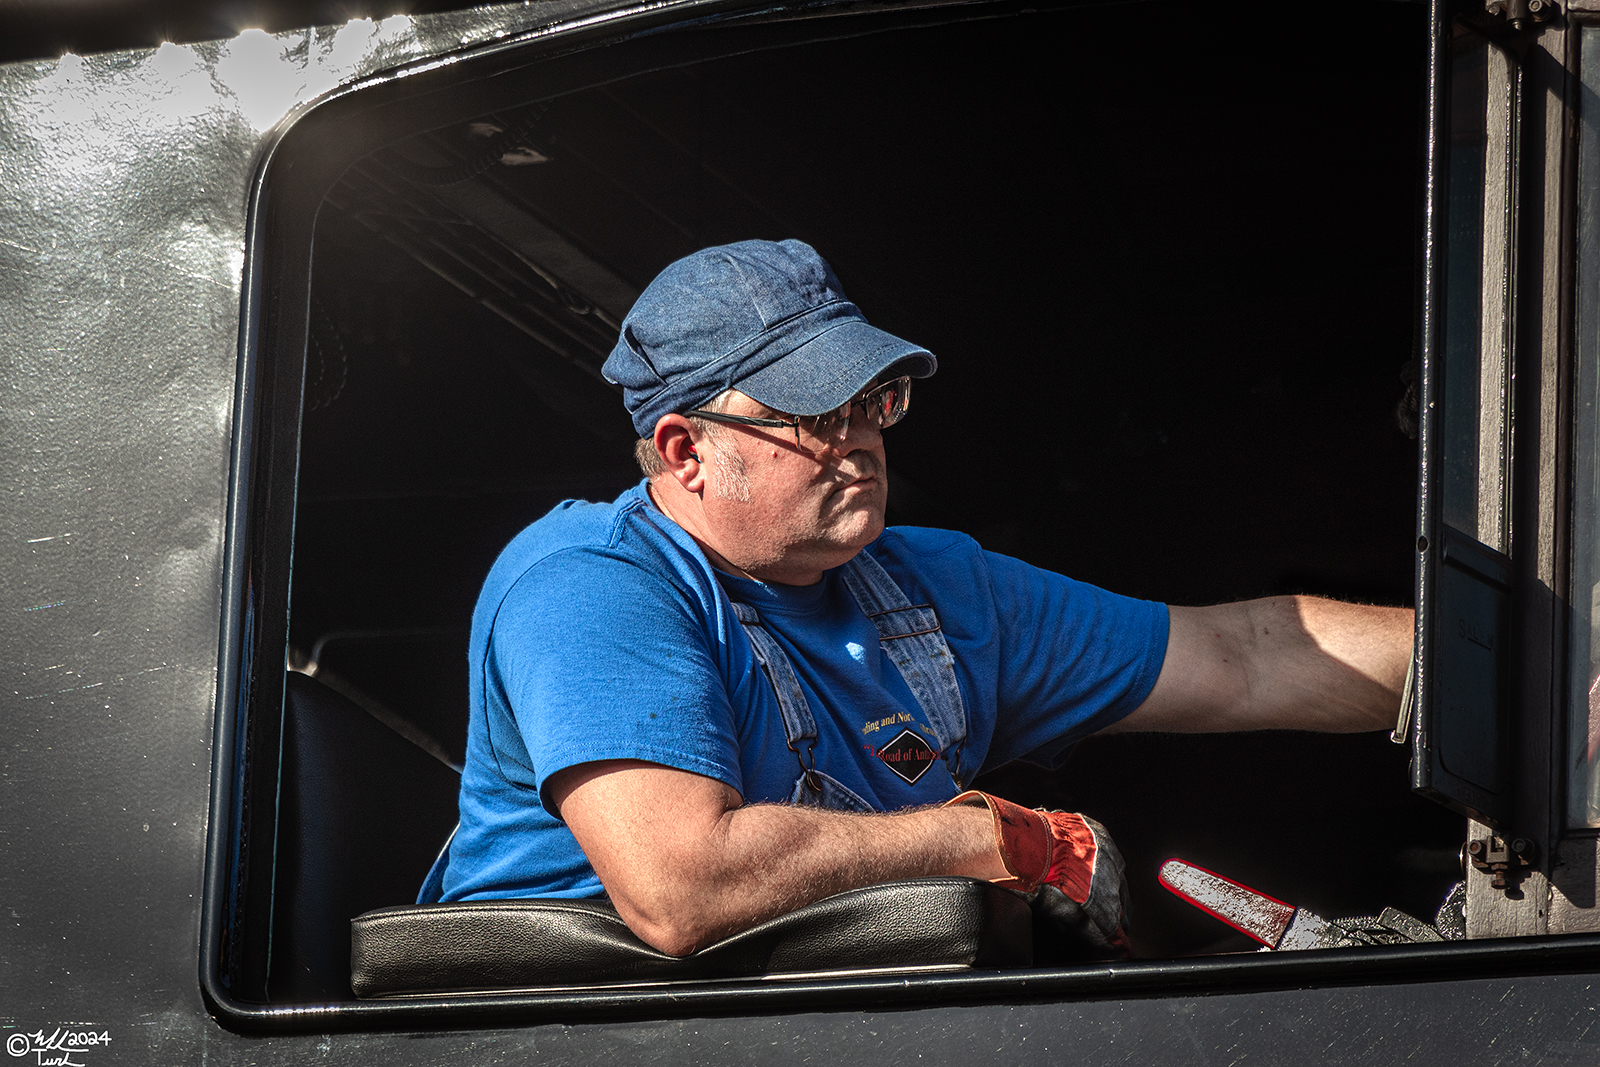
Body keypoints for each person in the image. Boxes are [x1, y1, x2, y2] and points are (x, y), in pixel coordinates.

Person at [421, 239, 1412, 958]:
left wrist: (1533, 662)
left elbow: (1243, 658)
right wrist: (994, 838)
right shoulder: (591, 583)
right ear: (685, 450)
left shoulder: (932, 584)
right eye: (815, 414)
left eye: (873, 404)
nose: (859, 440)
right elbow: (684, 887)